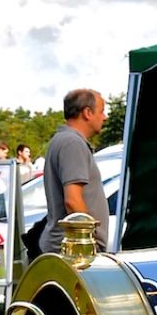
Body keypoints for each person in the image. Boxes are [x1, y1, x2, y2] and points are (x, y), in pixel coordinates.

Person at [37, 88, 111, 254]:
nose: (105, 117)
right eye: (102, 111)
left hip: (66, 249)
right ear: (87, 113)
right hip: (74, 252)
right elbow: (73, 200)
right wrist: (88, 243)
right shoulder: (72, 143)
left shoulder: (64, 140)